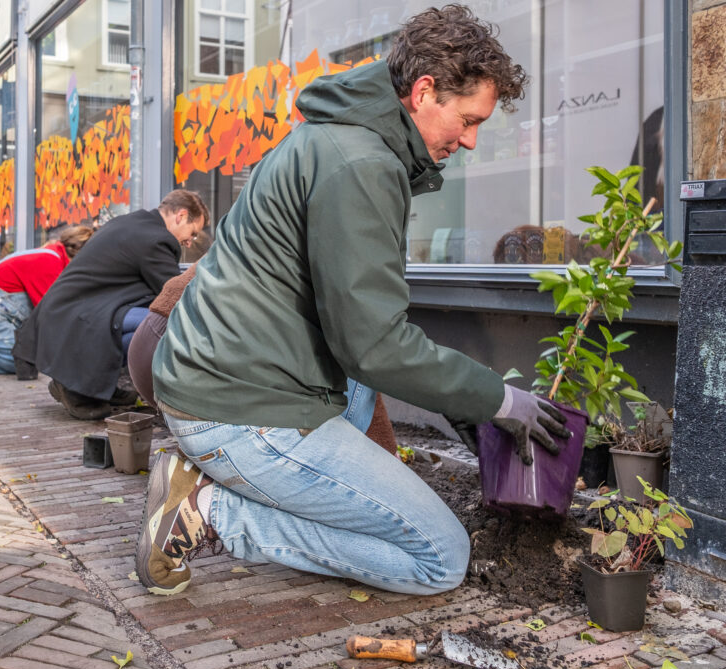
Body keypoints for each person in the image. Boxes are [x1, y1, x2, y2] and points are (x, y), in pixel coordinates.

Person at [138, 5, 570, 598]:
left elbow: (362, 329)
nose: (470, 140)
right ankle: (209, 514)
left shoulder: (340, 138)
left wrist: (458, 402)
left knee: (369, 414)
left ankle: (241, 483)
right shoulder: (362, 165)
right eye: (468, 120)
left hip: (230, 373)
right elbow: (373, 345)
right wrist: (497, 399)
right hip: (240, 407)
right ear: (424, 92)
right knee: (440, 556)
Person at [127, 265, 401, 456]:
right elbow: (357, 372)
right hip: (185, 347)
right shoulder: (328, 276)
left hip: (150, 338)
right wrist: (386, 459)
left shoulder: (267, 232)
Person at [12, 189, 209, 420]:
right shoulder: (155, 239)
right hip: (82, 317)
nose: (190, 242)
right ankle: (74, 387)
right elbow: (175, 295)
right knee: (161, 326)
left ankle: (96, 386)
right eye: (193, 233)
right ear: (181, 216)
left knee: (147, 325)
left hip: (66, 314)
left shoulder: (132, 223)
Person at [0, 224, 94, 375]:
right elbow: (52, 317)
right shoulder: (50, 262)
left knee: (35, 357)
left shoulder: (54, 256)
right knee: (25, 361)